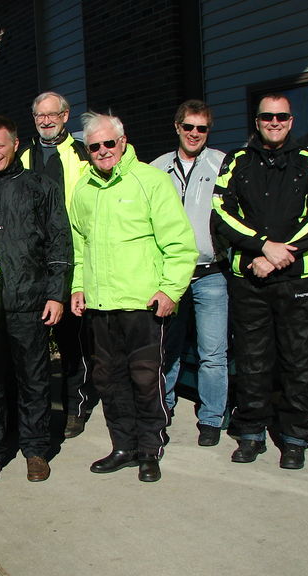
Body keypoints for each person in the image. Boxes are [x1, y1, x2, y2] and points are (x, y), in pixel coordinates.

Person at [70, 112, 197, 483]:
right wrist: (79, 287)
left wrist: (171, 289)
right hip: (100, 306)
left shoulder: (152, 182)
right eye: (95, 146)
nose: (103, 151)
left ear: (123, 142)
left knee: (145, 378)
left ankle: (149, 450)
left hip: (143, 304)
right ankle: (122, 447)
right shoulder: (83, 190)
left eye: (110, 143)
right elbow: (80, 246)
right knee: (109, 380)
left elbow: (180, 243)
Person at [211, 93, 308, 470]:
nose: (274, 122)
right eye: (267, 116)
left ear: (291, 121)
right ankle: (251, 433)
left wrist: (283, 253)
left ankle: (296, 436)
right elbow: (220, 213)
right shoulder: (238, 161)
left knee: (298, 361)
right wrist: (263, 248)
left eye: (281, 116)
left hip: (296, 279)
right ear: (258, 120)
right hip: (250, 279)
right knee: (252, 360)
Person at [0, 115, 72, 483]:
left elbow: (59, 241)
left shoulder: (41, 186)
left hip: (30, 299)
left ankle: (36, 449)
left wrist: (56, 294)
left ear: (16, 145)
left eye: (0, 145)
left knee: (34, 379)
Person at [151, 100, 229, 447]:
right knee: (168, 347)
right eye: (189, 127)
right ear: (177, 127)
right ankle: (163, 408)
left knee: (213, 352)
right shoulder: (156, 169)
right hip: (170, 276)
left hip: (211, 273)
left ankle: (212, 418)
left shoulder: (222, 165)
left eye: (202, 128)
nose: (195, 134)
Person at [19, 91, 97, 439]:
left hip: (71, 260)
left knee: (72, 343)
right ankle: (34, 410)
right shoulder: (22, 157)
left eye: (53, 115)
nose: (47, 121)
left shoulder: (84, 153)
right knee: (34, 347)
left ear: (66, 116)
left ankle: (74, 409)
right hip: (32, 264)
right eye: (40, 116)